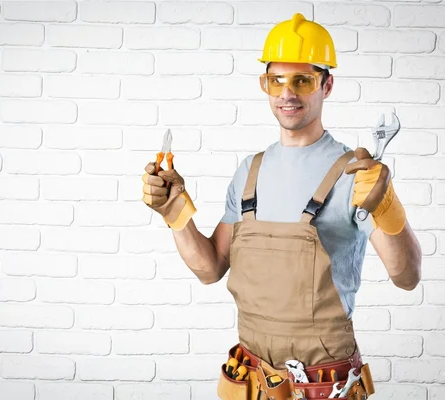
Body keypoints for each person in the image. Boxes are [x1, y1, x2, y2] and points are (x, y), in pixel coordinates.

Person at [142, 13, 421, 400]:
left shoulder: (359, 174)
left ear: (327, 84)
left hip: (325, 388)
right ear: (265, 85)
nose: (288, 93)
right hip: (252, 383)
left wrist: (386, 205)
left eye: (303, 80)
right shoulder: (249, 172)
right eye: (277, 80)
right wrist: (174, 212)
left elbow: (406, 277)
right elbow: (210, 269)